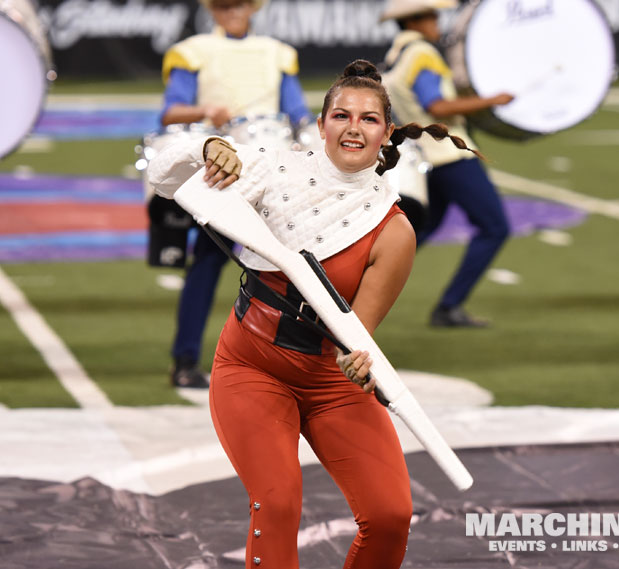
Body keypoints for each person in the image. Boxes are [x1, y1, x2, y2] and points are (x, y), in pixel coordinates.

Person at [148, 60, 481, 569]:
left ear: (387, 133)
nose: (353, 127)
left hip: (330, 382)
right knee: (277, 504)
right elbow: (161, 173)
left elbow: (356, 335)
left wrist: (358, 361)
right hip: (252, 366)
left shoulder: (394, 230)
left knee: (391, 515)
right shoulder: (273, 167)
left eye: (369, 119)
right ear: (321, 124)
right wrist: (206, 148)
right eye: (341, 115)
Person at [156, 0, 313, 387]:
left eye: (239, 3)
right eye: (224, 4)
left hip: (274, 169)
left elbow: (300, 115)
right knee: (209, 261)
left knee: (292, 265)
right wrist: (205, 110)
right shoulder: (194, 51)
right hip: (224, 169)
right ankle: (185, 359)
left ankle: (292, 358)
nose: (232, 10)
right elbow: (170, 112)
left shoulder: (277, 53)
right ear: (212, 10)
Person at [380, 0, 514, 328]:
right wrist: (491, 101)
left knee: (419, 231)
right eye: (430, 14)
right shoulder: (422, 53)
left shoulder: (395, 55)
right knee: (495, 226)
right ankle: (449, 306)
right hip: (447, 154)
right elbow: (437, 106)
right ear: (413, 19)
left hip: (422, 155)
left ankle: (350, 291)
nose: (436, 20)